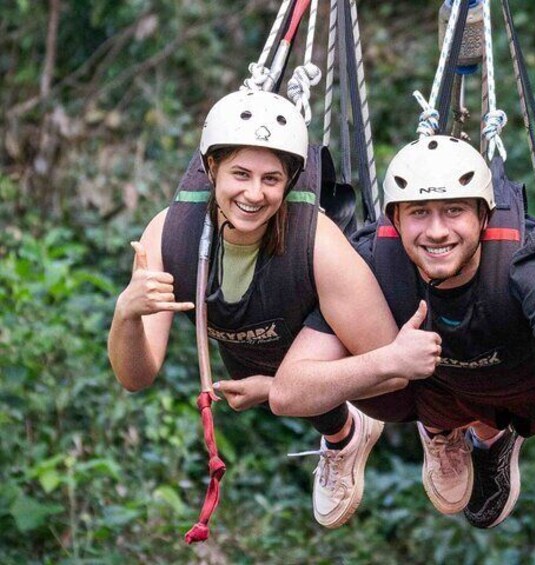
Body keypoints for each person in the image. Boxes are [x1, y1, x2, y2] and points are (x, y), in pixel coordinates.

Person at [107, 89, 440, 529]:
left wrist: (281, 389)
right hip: (248, 341)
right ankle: (342, 433)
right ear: (211, 169)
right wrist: (126, 314)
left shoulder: (318, 242)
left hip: (320, 327)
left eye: (271, 180)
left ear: (289, 182)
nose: (253, 194)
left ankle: (390, 430)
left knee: (301, 384)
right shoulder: (168, 235)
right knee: (265, 373)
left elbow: (389, 370)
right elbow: (136, 376)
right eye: (240, 174)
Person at [270, 135, 535, 529]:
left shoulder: (531, 259)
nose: (437, 231)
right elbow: (288, 392)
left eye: (454, 211)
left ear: (483, 216)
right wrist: (387, 361)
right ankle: (471, 434)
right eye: (419, 213)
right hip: (446, 392)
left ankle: (511, 431)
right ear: (395, 219)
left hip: (531, 383)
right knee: (382, 385)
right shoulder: (373, 263)